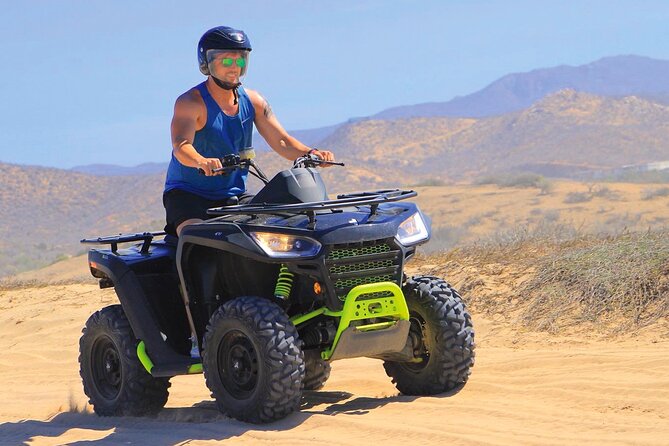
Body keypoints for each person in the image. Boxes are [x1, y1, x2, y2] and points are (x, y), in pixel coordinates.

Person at [163, 26, 335, 236]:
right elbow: (181, 146)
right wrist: (202, 161)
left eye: (241, 60)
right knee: (198, 238)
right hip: (189, 196)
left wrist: (312, 153)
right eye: (227, 61)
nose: (235, 67)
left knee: (280, 227)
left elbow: (282, 141)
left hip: (235, 194)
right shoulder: (191, 102)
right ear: (206, 63)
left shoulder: (254, 101)